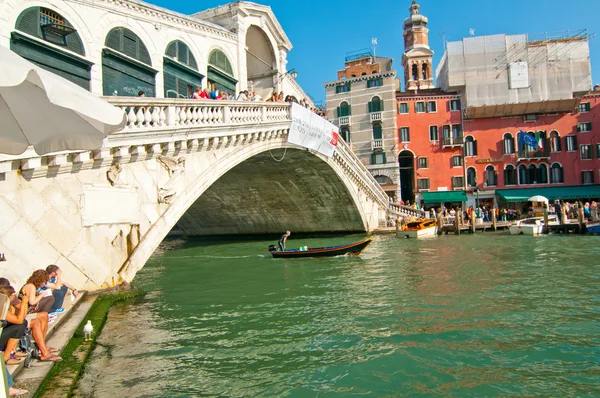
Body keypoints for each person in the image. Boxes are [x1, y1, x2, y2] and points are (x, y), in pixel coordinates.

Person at [19, 270, 62, 362]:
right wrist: (42, 295)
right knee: (38, 321)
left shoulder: (30, 285)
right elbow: (32, 302)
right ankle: (44, 352)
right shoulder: (31, 286)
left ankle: (42, 346)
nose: (43, 283)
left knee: (45, 315)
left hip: (26, 314)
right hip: (23, 315)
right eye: (43, 281)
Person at [0, 285, 28, 365]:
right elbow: (19, 321)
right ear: (10, 296)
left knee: (24, 322)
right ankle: (6, 358)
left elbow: (22, 317)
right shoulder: (2, 307)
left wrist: (24, 304)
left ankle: (12, 352)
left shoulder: (9, 306)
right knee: (20, 326)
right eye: (14, 295)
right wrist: (23, 303)